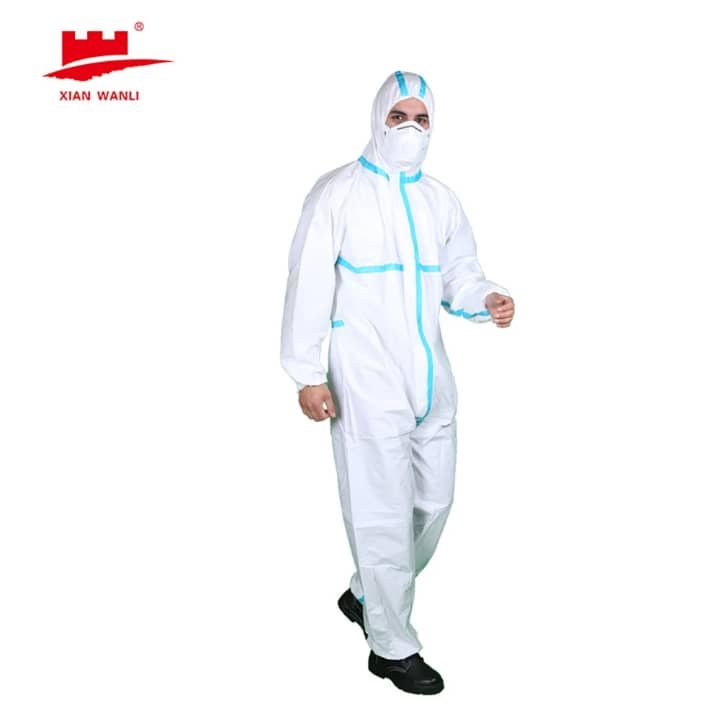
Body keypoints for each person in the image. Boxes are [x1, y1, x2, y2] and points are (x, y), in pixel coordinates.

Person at [280, 70, 515, 695]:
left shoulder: (440, 200)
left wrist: (486, 297)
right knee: (381, 514)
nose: (411, 128)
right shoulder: (337, 193)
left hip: (432, 378)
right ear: (378, 118)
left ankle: (366, 591)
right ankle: (390, 645)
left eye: (422, 119)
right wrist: (306, 372)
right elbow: (308, 282)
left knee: (433, 504)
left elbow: (459, 274)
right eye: (398, 116)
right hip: (364, 379)